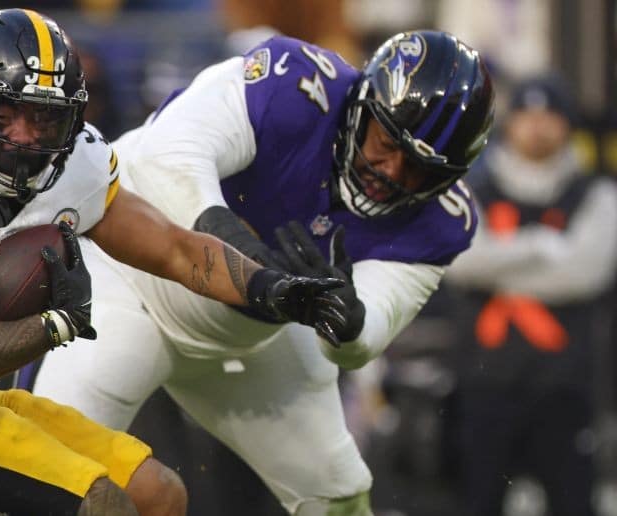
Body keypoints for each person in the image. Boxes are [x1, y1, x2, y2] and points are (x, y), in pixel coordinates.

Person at [0, 9, 350, 515]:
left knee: (160, 494)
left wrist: (271, 289)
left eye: (48, 116)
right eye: (11, 113)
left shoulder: (77, 165)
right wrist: (54, 325)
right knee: (101, 504)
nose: (31, 136)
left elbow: (174, 248)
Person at [31, 30, 495, 515]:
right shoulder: (293, 84)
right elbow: (166, 158)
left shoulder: (443, 221)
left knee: (339, 497)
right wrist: (254, 268)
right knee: (55, 474)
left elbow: (360, 342)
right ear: (364, 106)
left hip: (255, 340)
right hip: (130, 285)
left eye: (420, 169)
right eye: (387, 142)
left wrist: (347, 317)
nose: (392, 172)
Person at [443, 76, 617, 516]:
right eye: (527, 116)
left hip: (565, 386)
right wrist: (542, 247)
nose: (537, 127)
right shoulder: (470, 189)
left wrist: (498, 267)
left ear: (567, 126)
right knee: (478, 500)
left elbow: (585, 273)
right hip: (485, 383)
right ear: (510, 123)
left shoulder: (597, 193)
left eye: (549, 117)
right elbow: (461, 263)